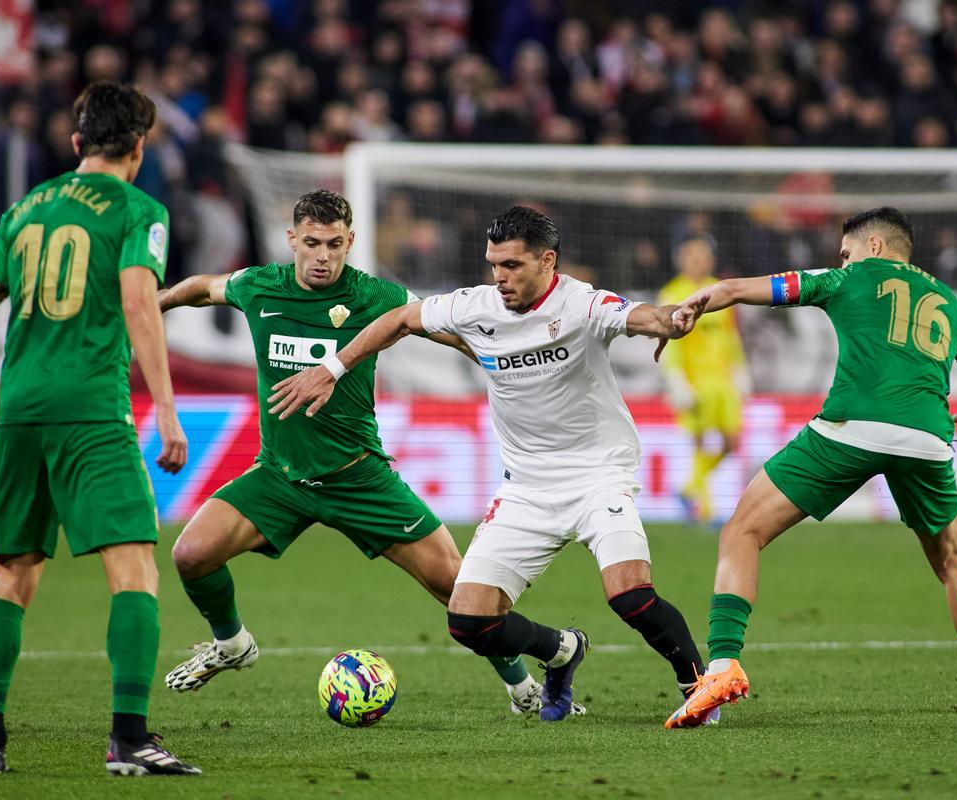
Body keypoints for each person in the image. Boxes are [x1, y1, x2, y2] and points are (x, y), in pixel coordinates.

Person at [268, 206, 715, 722]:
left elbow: (643, 315)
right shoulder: (474, 306)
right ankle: (561, 649)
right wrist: (333, 368)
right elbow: (399, 319)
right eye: (493, 264)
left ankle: (698, 687)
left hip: (598, 478)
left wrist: (673, 319)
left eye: (512, 266)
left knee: (630, 596)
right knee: (468, 621)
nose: (499, 278)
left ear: (548, 261)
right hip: (525, 488)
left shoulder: (583, 302)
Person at [157, 190, 549, 715]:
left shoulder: (374, 295)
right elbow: (203, 289)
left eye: (335, 244)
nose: (324, 256)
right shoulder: (258, 286)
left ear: (350, 242)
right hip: (280, 477)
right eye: (313, 243)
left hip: (359, 477)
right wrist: (147, 305)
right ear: (292, 239)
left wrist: (500, 363)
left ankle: (522, 687)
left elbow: (443, 325)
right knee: (190, 555)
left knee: (460, 588)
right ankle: (232, 644)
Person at [663, 207, 957, 729]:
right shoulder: (951, 304)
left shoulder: (846, 279)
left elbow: (735, 288)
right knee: (955, 563)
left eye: (847, 250)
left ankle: (722, 666)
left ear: (875, 247)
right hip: (928, 438)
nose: (842, 259)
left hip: (852, 427)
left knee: (741, 530)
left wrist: (691, 306)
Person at [0, 82, 201, 776]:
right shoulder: (140, 209)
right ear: (138, 148)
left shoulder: (25, 208)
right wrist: (166, 409)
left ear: (77, 143)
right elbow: (141, 304)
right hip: (91, 410)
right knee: (135, 568)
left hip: (17, 410)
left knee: (13, 571)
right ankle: (130, 738)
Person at [656, 234, 747, 524]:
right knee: (699, 444)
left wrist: (741, 370)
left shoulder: (721, 292)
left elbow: (731, 337)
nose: (697, 260)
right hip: (695, 383)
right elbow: (670, 344)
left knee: (732, 443)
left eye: (702, 255)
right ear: (681, 259)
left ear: (710, 258)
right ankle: (706, 512)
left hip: (723, 382)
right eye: (691, 255)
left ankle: (688, 488)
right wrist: (676, 381)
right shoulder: (672, 294)